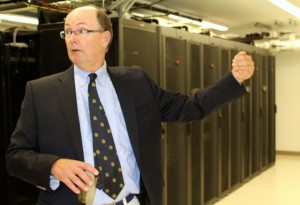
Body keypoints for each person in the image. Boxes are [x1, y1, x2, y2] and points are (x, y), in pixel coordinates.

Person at [5, 5, 255, 205]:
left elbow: (189, 106)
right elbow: (15, 157)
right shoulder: (41, 91)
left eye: (81, 31)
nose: (72, 38)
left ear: (105, 38)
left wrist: (234, 80)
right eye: (68, 32)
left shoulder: (136, 83)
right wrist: (53, 166)